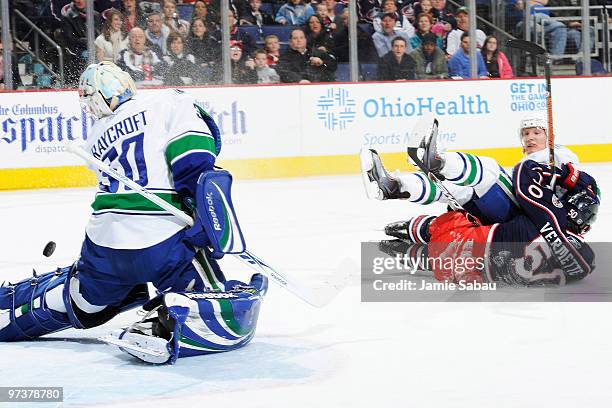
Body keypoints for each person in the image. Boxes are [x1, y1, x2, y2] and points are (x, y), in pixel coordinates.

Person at [0, 62, 268, 365]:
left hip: (102, 247)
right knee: (207, 291)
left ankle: (14, 306)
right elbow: (193, 161)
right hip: (162, 241)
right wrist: (207, 218)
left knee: (85, 298)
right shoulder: (169, 102)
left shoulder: (96, 136)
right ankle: (165, 321)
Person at [61, 0, 102, 86]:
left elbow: (99, 36)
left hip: (94, 48)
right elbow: (70, 40)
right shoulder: (68, 16)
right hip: (77, 50)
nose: (79, 1)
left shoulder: (96, 15)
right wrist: (89, 41)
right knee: (88, 55)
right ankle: (85, 82)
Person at [187, 17, 221, 83]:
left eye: (200, 26)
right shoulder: (188, 43)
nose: (197, 28)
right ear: (192, 29)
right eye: (194, 26)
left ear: (205, 28)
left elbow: (218, 58)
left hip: (213, 73)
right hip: (196, 74)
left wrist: (208, 64)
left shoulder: (212, 41)